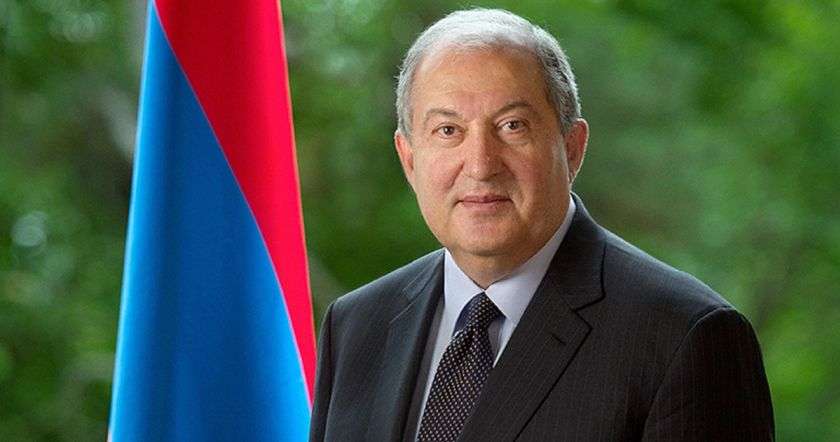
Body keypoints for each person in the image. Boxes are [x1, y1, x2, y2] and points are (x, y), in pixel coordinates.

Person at [309, 8, 774, 442]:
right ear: (409, 159)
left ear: (572, 148)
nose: (481, 165)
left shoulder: (685, 337)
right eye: (448, 130)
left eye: (512, 126)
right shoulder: (356, 326)